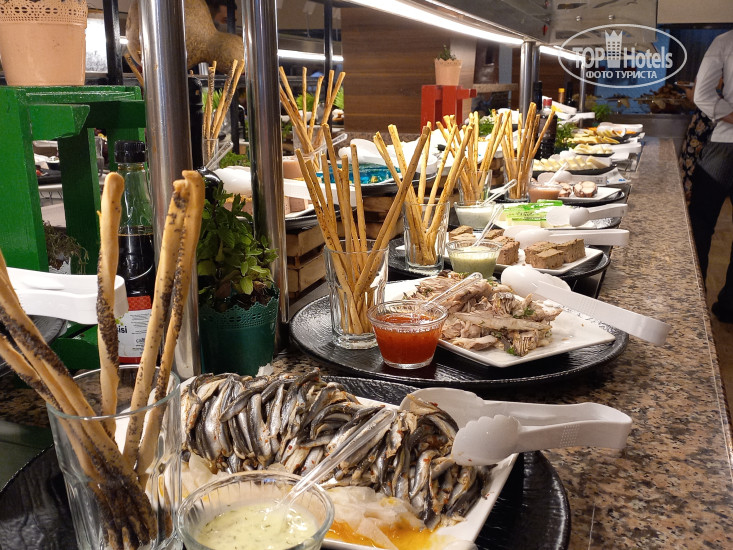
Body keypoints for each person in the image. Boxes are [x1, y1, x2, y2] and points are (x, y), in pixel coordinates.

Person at [689, 29, 733, 322]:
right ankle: (730, 306)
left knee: (700, 226)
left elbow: (702, 95)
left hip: (725, 146)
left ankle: (694, 306)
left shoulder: (726, 41)